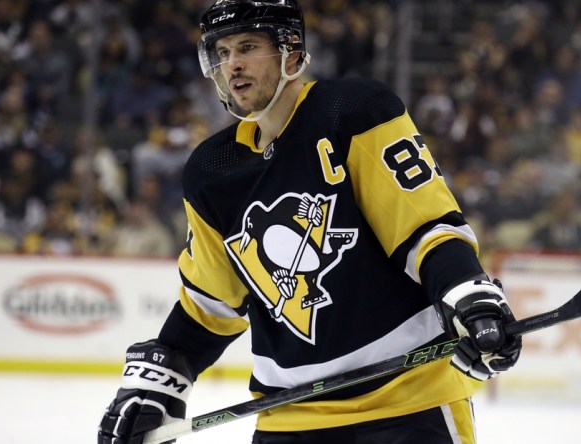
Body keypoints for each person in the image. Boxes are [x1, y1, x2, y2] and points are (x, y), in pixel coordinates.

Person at [98, 1, 522, 443]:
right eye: (222, 53)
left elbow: (425, 229)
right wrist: (161, 375)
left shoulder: (353, 111)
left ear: (293, 54)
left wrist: (469, 296)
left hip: (409, 400)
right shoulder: (211, 170)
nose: (233, 64)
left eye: (247, 47)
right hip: (289, 417)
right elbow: (209, 304)